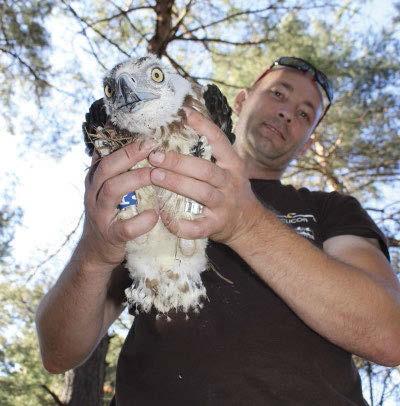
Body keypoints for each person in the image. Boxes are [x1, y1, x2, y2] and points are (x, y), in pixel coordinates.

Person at [35, 56, 400, 405]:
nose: (288, 111)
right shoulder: (149, 185)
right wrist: (95, 253)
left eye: (305, 113)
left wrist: (246, 225)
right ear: (241, 100)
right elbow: (58, 352)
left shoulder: (331, 209)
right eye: (278, 93)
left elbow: (389, 334)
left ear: (307, 142)